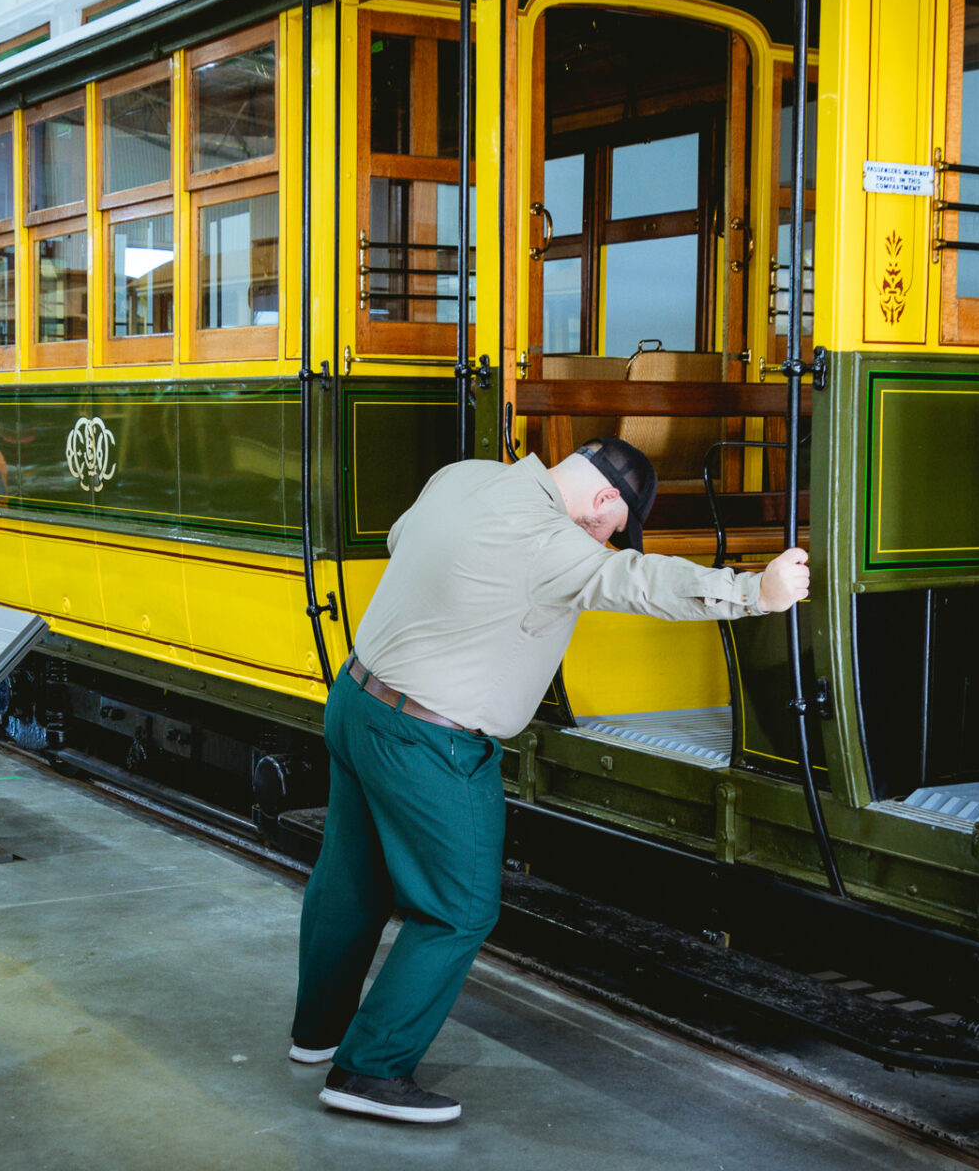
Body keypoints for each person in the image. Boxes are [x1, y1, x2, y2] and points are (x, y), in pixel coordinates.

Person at [290, 437, 811, 1124]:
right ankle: (369, 1070)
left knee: (349, 881)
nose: (606, 540)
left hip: (355, 701)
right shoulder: (551, 543)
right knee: (458, 910)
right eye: (612, 527)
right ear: (602, 500)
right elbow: (638, 582)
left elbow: (401, 537)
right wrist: (757, 592)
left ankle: (316, 1035)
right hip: (429, 742)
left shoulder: (462, 475)